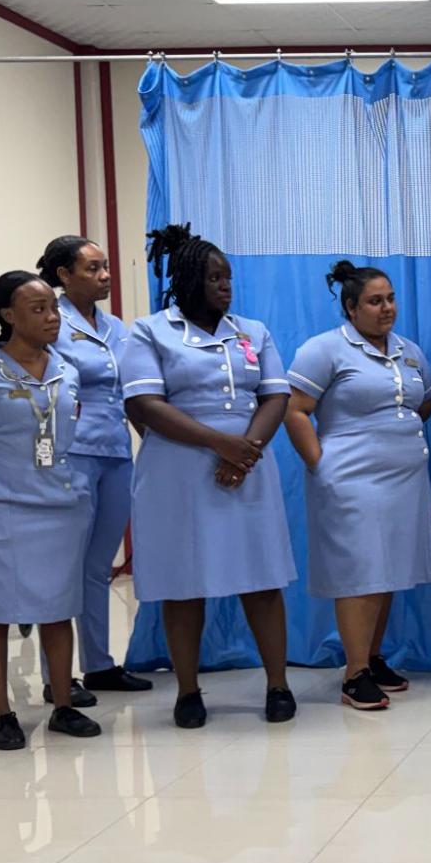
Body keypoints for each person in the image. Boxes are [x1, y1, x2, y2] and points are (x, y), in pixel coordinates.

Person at [120, 224, 298, 729]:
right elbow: (144, 404)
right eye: (215, 277)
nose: (225, 286)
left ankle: (278, 684)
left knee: (262, 578)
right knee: (184, 582)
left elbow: (276, 396)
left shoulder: (253, 331)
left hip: (248, 467)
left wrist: (246, 451)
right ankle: (188, 691)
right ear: (189, 279)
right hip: (178, 472)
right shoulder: (151, 331)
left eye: (229, 277)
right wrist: (221, 443)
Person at [0, 272, 101, 749]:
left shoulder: (66, 368)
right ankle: (2, 712)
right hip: (0, 507)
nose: (52, 316)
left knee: (59, 607)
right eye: (38, 309)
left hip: (60, 502)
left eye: (52, 307)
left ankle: (63, 707)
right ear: (7, 316)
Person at [284, 262, 431, 711]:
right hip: (350, 481)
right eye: (375, 301)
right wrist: (320, 463)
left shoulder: (409, 351)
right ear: (351, 307)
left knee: (387, 570)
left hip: (404, 481)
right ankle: (353, 675)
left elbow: (424, 403)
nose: (387, 308)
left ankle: (372, 659)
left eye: (390, 298)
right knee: (360, 574)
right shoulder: (325, 349)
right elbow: (295, 410)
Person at [38, 235, 147, 702]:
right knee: (63, 565)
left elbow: (134, 389)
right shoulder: (47, 321)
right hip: (70, 452)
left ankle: (100, 664)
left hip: (116, 451)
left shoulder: (116, 327)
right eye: (94, 269)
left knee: (99, 564)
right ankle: (55, 677)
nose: (105, 276)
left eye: (106, 267)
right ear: (64, 275)